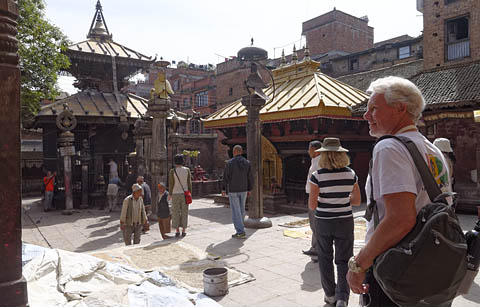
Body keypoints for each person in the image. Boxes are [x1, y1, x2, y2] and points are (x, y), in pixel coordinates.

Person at [346, 76, 451, 306]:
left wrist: (358, 264)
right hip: (433, 265)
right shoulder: (432, 149)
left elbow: (400, 219)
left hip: (397, 268)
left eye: (373, 109)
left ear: (400, 109)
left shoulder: (389, 146)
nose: (365, 115)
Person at [308, 138, 361, 307]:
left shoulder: (317, 176)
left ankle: (330, 295)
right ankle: (342, 298)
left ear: (323, 155)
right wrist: (342, 199)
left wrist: (328, 200)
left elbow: (312, 204)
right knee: (345, 260)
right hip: (345, 220)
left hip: (324, 221)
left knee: (325, 258)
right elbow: (357, 201)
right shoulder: (351, 174)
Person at [222, 145, 253, 239]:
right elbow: (250, 177)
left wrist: (223, 189)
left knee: (236, 211)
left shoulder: (229, 163)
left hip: (233, 189)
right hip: (243, 189)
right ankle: (240, 229)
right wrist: (249, 188)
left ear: (234, 152)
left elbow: (225, 177)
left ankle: (240, 231)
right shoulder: (247, 163)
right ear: (241, 152)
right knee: (241, 210)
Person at [303, 140, 322, 259]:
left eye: (309, 149)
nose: (308, 151)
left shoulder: (319, 163)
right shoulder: (315, 161)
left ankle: (318, 249)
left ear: (315, 149)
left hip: (316, 197)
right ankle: (315, 247)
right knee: (314, 224)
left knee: (316, 224)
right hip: (313, 195)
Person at [168, 154, 192, 237]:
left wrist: (170, 194)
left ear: (175, 161)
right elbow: (189, 183)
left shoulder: (172, 171)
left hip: (175, 193)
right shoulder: (187, 170)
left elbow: (171, 183)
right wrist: (190, 193)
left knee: (175, 212)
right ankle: (184, 230)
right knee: (185, 211)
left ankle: (177, 230)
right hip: (185, 193)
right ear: (183, 161)